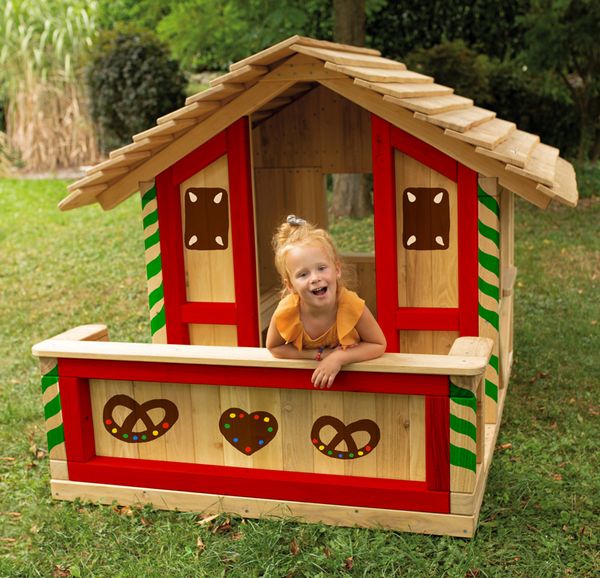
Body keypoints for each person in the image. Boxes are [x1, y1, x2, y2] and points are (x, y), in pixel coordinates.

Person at [266, 215, 387, 388]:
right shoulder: (286, 311)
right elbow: (274, 347)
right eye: (303, 274)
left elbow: (378, 344)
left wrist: (338, 358)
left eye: (322, 268)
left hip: (353, 386)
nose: (315, 278)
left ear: (337, 270)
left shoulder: (351, 305)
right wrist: (319, 356)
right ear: (290, 285)